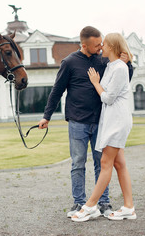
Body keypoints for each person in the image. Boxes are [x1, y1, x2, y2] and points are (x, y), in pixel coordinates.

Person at [38, 26, 133, 218]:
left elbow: (121, 81)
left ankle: (103, 202)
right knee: (78, 163)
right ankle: (80, 202)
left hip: (101, 121)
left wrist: (128, 64)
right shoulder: (69, 62)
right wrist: (46, 116)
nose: (100, 47)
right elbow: (57, 91)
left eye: (102, 44)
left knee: (102, 163)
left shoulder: (104, 59)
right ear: (84, 45)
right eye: (97, 45)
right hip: (77, 122)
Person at [71, 32, 135, 222]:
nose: (101, 48)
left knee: (106, 163)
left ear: (113, 47)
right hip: (111, 120)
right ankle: (129, 207)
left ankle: (90, 206)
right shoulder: (111, 66)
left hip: (117, 121)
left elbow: (108, 97)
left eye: (105, 44)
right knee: (118, 163)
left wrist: (96, 84)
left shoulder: (120, 68)